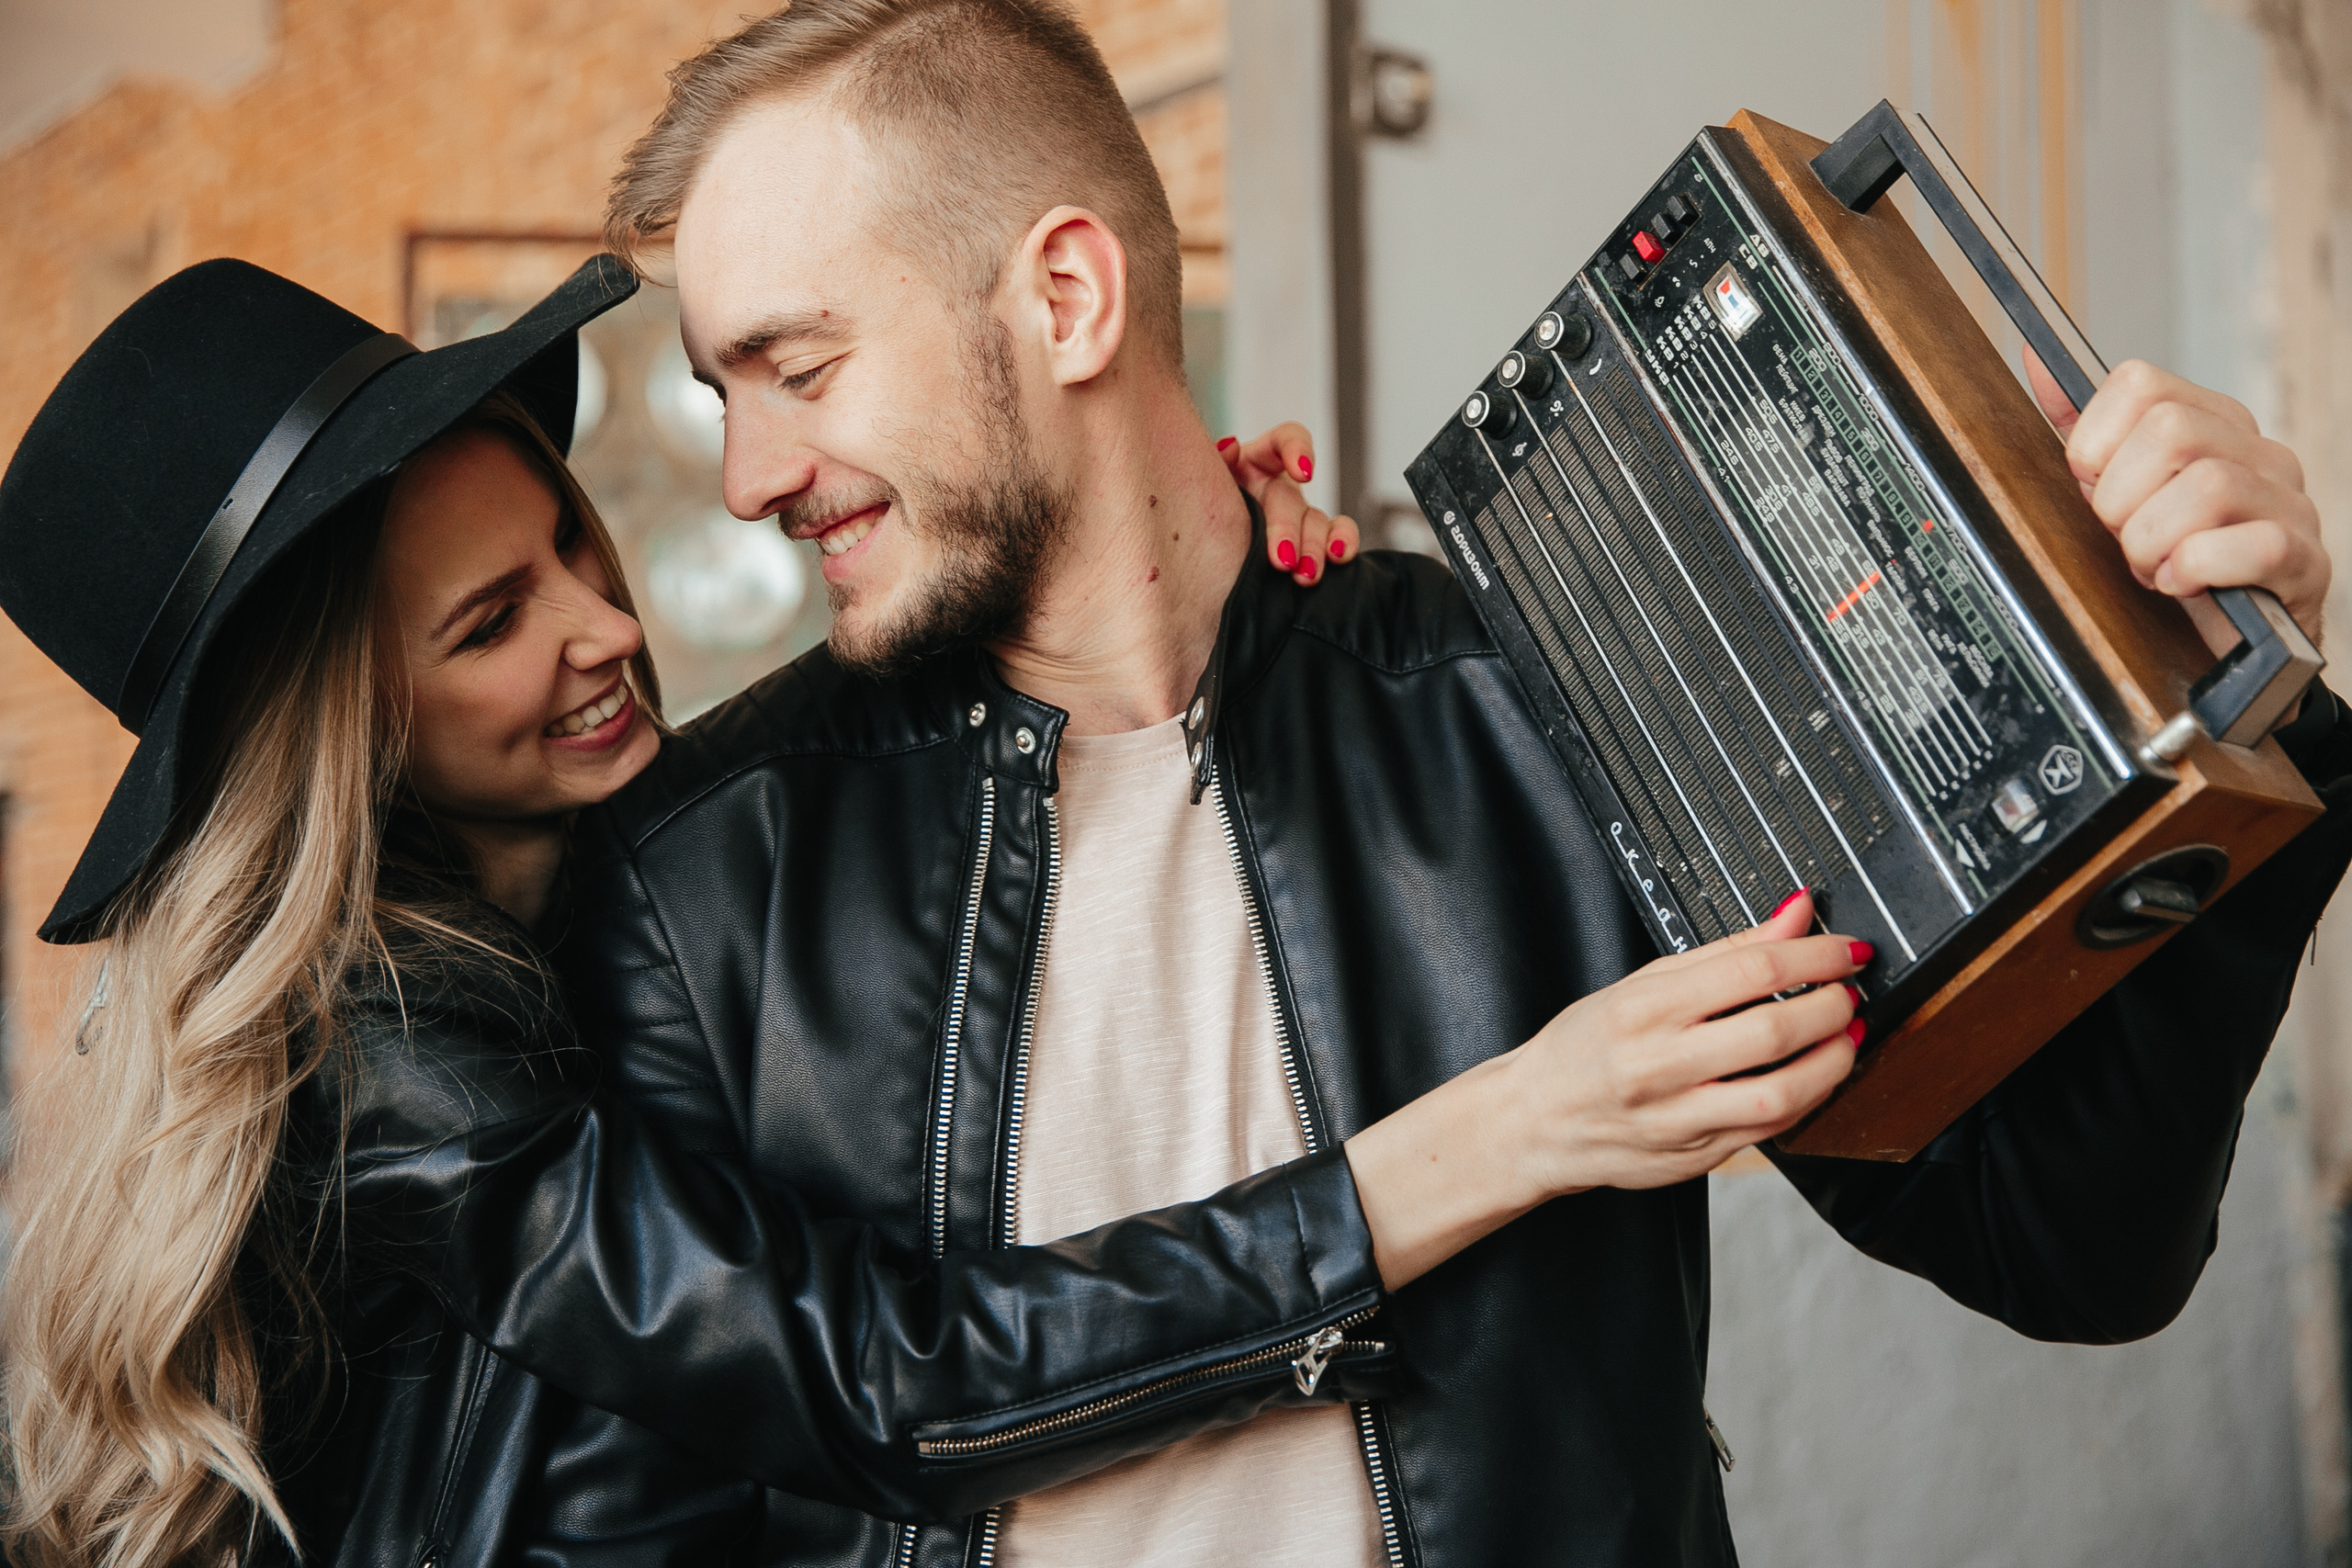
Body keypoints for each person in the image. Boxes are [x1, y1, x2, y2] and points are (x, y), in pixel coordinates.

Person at [503, 2, 2352, 1564]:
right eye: (722, 391)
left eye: (795, 369)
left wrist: (2227, 695)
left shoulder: (1534, 705)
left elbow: (2059, 1241)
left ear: (1065, 298)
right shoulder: (693, 876)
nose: (745, 474)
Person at [0, 257, 1686, 1565]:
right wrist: (1467, 1153)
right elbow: (881, 1375)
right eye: (493, 621)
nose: (601, 627)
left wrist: (1176, 544)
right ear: (344, 735)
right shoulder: (391, 1073)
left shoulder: (616, 883)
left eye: (575, 549)